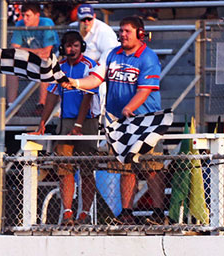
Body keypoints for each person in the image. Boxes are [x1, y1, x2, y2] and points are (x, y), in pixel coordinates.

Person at [63, 16, 165, 225]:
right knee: (124, 167)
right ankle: (126, 212)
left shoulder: (148, 57)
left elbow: (145, 90)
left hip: (146, 120)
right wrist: (75, 82)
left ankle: (158, 213)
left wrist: (129, 107)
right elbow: (95, 79)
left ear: (140, 33)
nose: (122, 34)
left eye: (127, 31)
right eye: (121, 30)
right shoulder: (112, 54)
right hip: (118, 122)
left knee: (152, 167)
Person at [32, 31, 99, 226]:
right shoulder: (59, 67)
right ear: (63, 47)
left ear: (82, 46)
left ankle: (85, 213)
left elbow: (88, 95)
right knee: (64, 167)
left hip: (87, 121)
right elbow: (53, 95)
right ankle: (68, 213)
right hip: (65, 121)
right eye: (68, 46)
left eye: (76, 45)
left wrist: (78, 125)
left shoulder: (89, 65)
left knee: (86, 168)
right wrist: (43, 121)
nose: (72, 49)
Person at [8, 2, 60, 114]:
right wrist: (36, 52)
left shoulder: (46, 23)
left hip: (54, 59)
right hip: (31, 58)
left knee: (44, 63)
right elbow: (14, 49)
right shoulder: (20, 24)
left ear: (37, 15)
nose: (25, 19)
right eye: (23, 15)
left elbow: (47, 52)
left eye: (28, 16)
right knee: (10, 68)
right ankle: (11, 106)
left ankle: (41, 105)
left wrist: (24, 50)